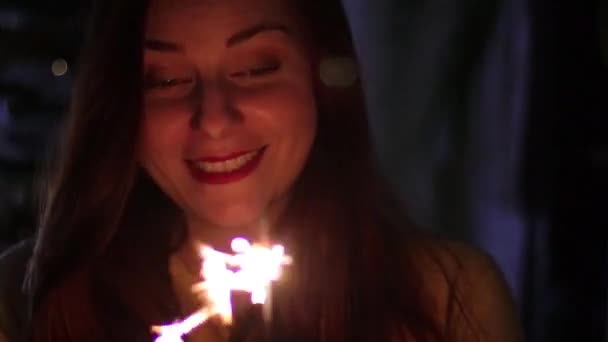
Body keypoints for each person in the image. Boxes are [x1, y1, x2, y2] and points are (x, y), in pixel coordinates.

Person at [0, 0, 524, 341]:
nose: (214, 117)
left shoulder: (448, 299)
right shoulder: (25, 301)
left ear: (322, 83)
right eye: (164, 80)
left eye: (255, 69)